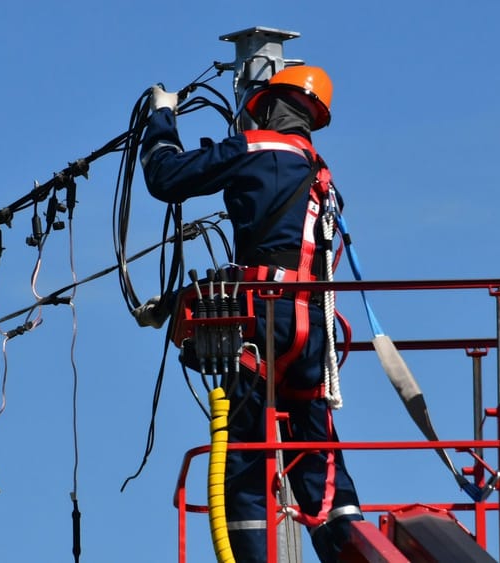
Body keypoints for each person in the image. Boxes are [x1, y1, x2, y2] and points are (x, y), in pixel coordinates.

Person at [140, 66, 364, 563]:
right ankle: (352, 546)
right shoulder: (321, 175)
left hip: (262, 322)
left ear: (263, 107)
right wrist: (178, 302)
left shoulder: (255, 150)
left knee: (245, 460)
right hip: (311, 331)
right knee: (319, 455)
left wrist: (161, 117)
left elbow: (165, 177)